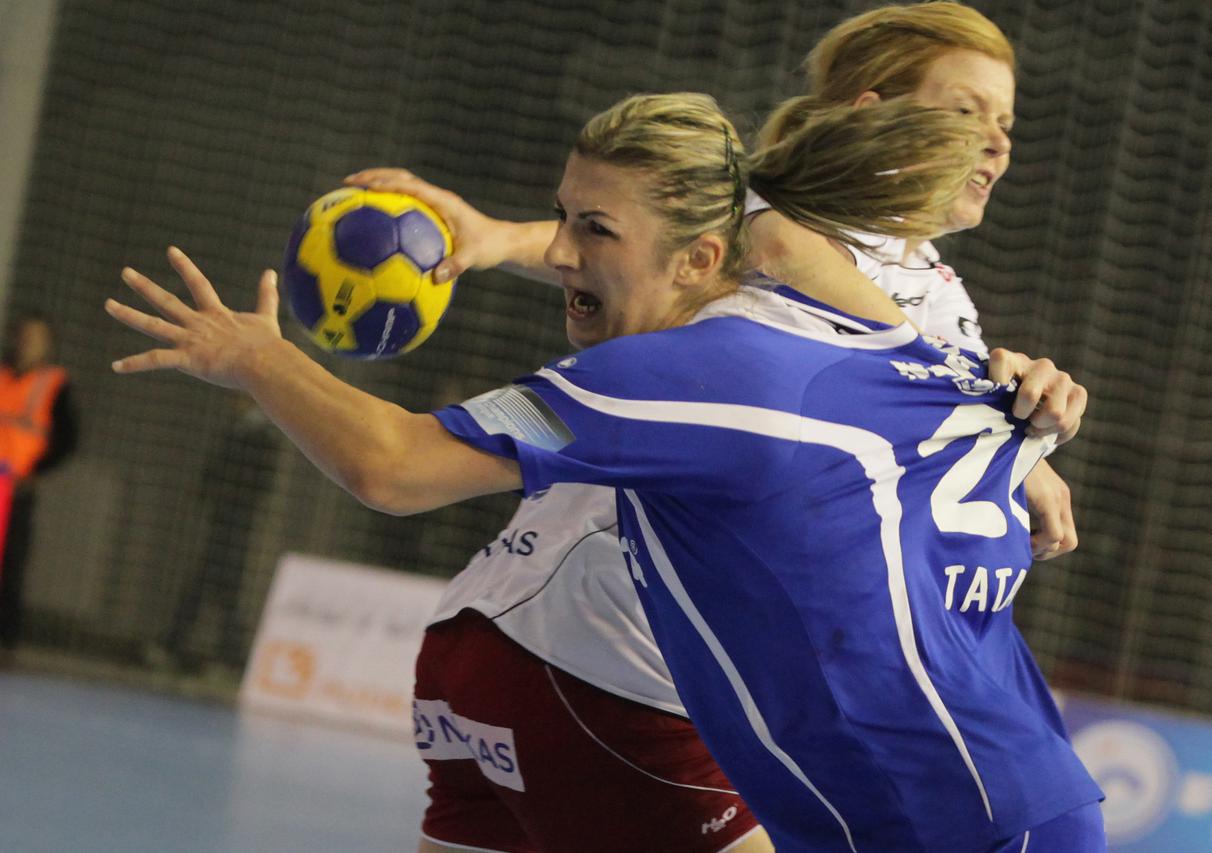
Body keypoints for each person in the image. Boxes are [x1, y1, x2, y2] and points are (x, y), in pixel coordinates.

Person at [106, 91, 1102, 851]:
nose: (562, 250)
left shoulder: (698, 374)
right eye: (563, 218)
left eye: (592, 230)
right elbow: (766, 248)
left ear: (701, 255)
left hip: (932, 806)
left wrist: (251, 357)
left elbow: (393, 467)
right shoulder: (881, 325)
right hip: (976, 784)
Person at [339, 5, 1083, 850]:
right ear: (873, 113)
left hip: (528, 645)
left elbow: (921, 419)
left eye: (1006, 122)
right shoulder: (766, 226)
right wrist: (499, 236)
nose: (995, 142)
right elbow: (655, 234)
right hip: (610, 657)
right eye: (965, 113)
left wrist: (1022, 441)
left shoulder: (941, 298)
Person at [151, 393, 280, 675]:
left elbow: (254, 481)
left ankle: (217, 655)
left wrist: (223, 493)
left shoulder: (262, 437)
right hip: (222, 518)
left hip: (237, 521)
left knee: (220, 585)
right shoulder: (240, 429)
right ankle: (204, 651)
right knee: (215, 584)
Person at [0, 314, 78, 652]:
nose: (28, 344)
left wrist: (35, 471)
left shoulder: (54, 383)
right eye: (25, 336)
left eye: (37, 338)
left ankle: (6, 637)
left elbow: (67, 439)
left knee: (10, 561)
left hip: (16, 487)